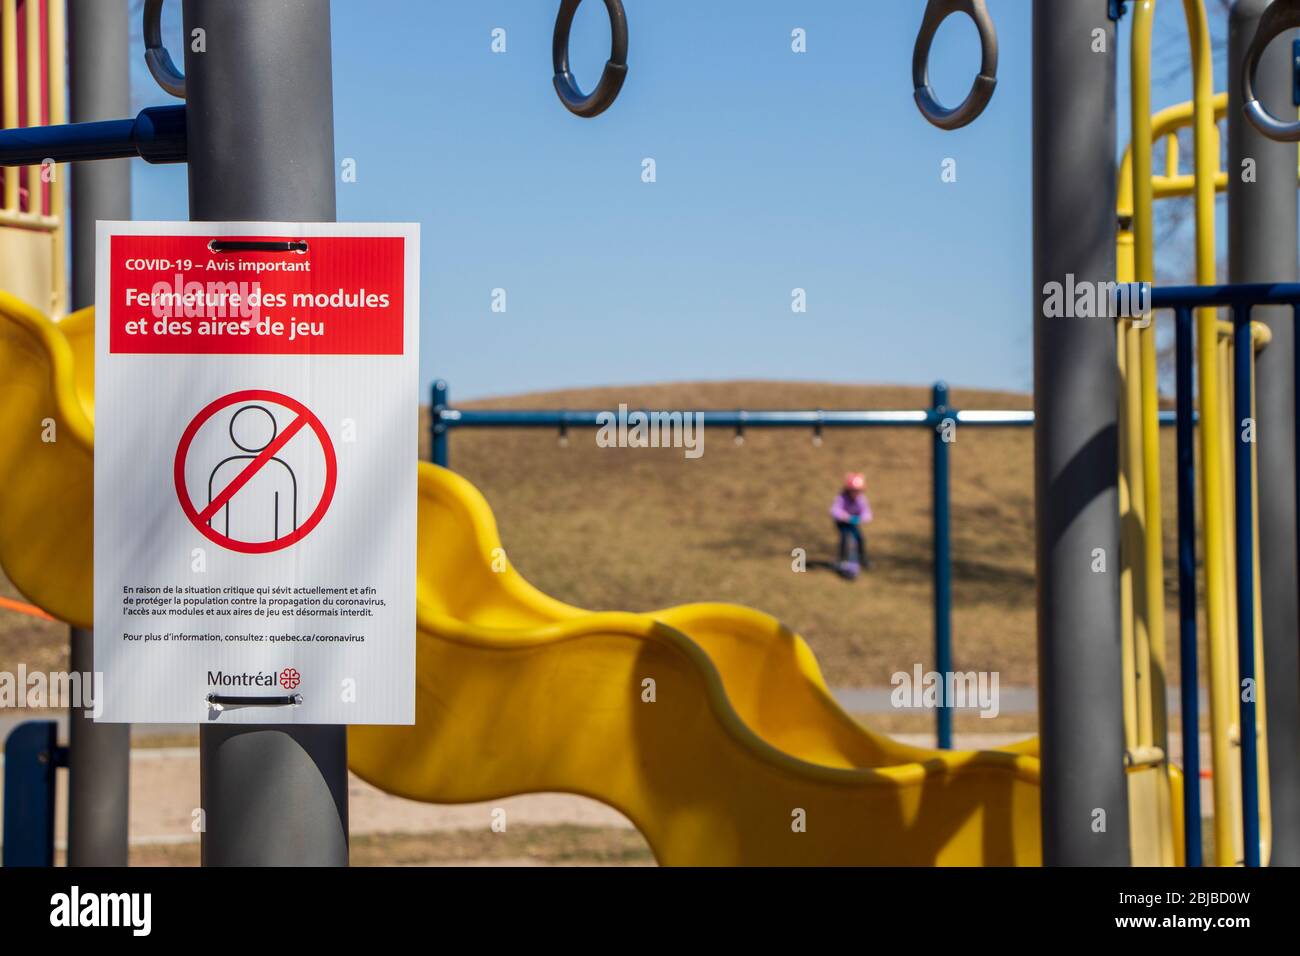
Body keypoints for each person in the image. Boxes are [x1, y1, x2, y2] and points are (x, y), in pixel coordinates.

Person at [830, 472, 872, 575]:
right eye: (853, 490)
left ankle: (862, 558)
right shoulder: (841, 498)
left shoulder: (861, 500)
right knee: (846, 538)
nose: (855, 493)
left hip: (853, 523)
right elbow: (834, 510)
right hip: (842, 523)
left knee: (860, 538)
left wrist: (860, 518)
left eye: (858, 491)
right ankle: (843, 560)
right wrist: (844, 516)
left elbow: (867, 514)